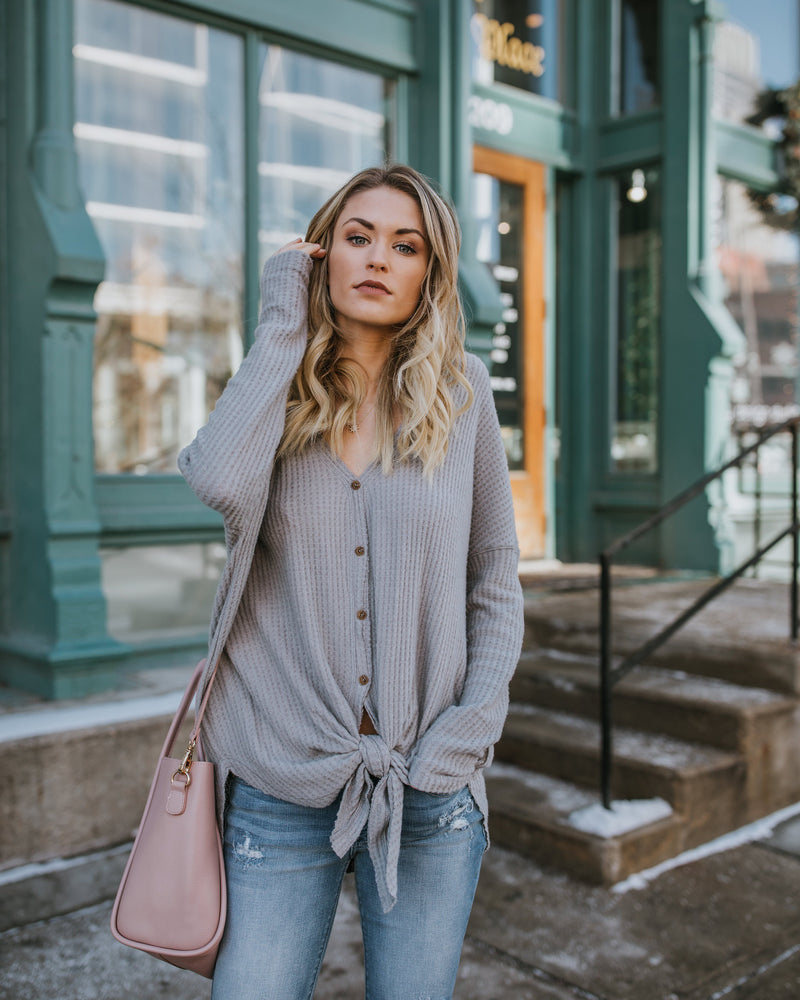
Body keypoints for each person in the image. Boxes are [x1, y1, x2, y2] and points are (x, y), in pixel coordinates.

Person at [178, 163, 525, 999]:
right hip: (279, 779)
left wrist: (467, 733)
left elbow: (495, 572)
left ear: (428, 273)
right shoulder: (275, 390)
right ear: (320, 256)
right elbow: (218, 483)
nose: (378, 259)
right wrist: (281, 324)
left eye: (405, 246)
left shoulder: (462, 392)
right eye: (358, 238)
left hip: (431, 783)